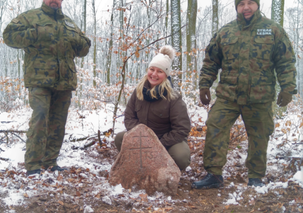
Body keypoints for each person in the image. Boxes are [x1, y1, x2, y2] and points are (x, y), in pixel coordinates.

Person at [192, 0, 297, 189]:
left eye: (250, 3)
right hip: (228, 95)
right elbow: (211, 61)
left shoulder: (272, 30)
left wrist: (288, 88)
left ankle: (255, 176)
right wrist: (204, 85)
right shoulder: (225, 32)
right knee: (215, 126)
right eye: (241, 4)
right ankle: (214, 175)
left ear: (257, 5)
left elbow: (286, 62)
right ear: (236, 7)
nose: (246, 7)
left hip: (259, 97)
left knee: (259, 135)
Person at [3, 0, 91, 176]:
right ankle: (33, 164)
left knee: (58, 122)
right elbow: (8, 36)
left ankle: (50, 161)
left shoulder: (69, 22)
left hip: (64, 81)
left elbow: (84, 48)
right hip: (39, 80)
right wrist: (36, 33)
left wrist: (75, 39)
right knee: (40, 117)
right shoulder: (30, 17)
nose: (54, 0)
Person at [114, 45, 191, 171]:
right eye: (152, 69)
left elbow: (182, 129)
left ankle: (162, 165)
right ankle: (141, 162)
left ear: (166, 75)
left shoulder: (173, 97)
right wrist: (141, 137)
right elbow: (129, 117)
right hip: (142, 139)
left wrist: (158, 143)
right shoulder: (138, 92)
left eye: (160, 71)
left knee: (181, 157)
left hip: (165, 142)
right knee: (119, 139)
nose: (154, 74)